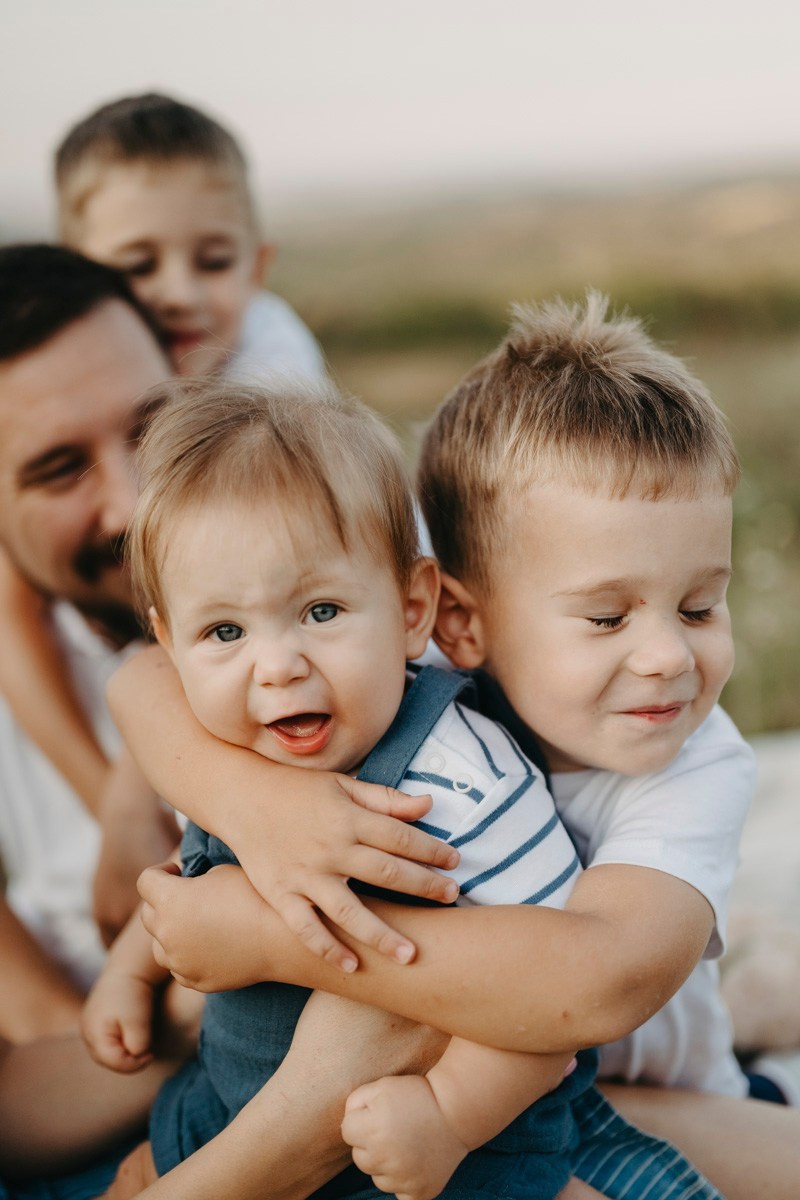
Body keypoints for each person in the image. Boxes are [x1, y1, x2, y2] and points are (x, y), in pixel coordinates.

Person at [114, 293, 800, 1199]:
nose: (669, 654)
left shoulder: (694, 761)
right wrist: (257, 808)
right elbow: (141, 679)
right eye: (606, 615)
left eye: (701, 606)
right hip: (421, 1096)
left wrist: (273, 935)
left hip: (629, 1092)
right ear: (456, 622)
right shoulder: (389, 659)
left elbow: (595, 985)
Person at [0, 91, 328, 894]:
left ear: (255, 265)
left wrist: (134, 783)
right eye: (137, 267)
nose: (177, 294)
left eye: (210, 261)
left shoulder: (271, 384)